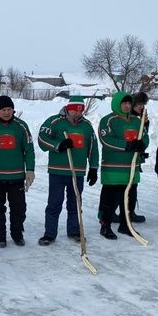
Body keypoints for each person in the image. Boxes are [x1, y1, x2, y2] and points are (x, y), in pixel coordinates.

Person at [37, 96, 99, 246]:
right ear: (68, 108)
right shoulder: (54, 122)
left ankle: (75, 230)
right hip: (58, 171)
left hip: (77, 172)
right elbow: (42, 139)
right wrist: (58, 145)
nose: (77, 113)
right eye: (74, 110)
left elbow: (93, 147)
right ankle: (49, 233)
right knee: (54, 203)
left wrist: (93, 168)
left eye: (80, 110)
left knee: (75, 203)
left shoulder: (87, 126)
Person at [0, 96, 35, 247]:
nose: (7, 112)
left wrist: (30, 170)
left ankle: (17, 234)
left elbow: (29, 150)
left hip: (16, 176)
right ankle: (0, 236)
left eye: (9, 109)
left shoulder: (21, 126)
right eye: (4, 109)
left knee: (19, 208)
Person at [97, 92, 149, 239]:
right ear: (117, 104)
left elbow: (144, 136)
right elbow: (106, 140)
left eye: (128, 103)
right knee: (110, 199)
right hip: (113, 168)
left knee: (130, 198)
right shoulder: (108, 121)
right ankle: (105, 226)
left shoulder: (136, 121)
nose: (127, 106)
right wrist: (128, 145)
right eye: (124, 103)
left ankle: (126, 225)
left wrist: (141, 145)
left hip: (131, 167)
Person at [113, 91, 149, 223]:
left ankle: (130, 212)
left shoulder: (140, 118)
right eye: (138, 104)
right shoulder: (127, 119)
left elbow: (143, 136)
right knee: (118, 189)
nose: (141, 107)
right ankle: (110, 213)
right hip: (122, 160)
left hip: (134, 159)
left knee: (132, 187)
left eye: (142, 104)